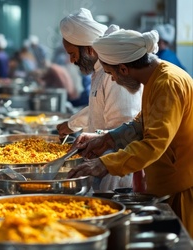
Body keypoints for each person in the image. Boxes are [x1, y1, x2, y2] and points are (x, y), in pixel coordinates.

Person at [67, 29, 193, 237]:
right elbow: (141, 124)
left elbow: (153, 144)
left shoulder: (167, 83)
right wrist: (106, 139)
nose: (114, 80)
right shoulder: (156, 79)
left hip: (180, 189)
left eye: (111, 74)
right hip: (165, 185)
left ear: (123, 69)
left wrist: (105, 164)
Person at [56, 8, 143, 191]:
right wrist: (72, 124)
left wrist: (98, 138)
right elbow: (99, 106)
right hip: (103, 163)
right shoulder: (100, 69)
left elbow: (126, 127)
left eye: (72, 54)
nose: (71, 61)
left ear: (88, 49)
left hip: (117, 172)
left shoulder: (114, 72)